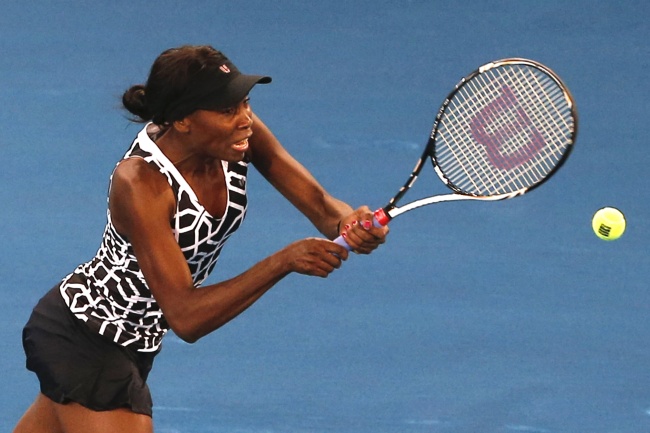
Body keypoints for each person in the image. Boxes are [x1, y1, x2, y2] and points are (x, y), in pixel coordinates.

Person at [12, 45, 388, 433]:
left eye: (244, 102)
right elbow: (186, 316)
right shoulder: (141, 182)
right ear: (182, 120)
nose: (244, 118)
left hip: (134, 342)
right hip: (86, 334)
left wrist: (349, 222)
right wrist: (284, 261)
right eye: (227, 109)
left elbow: (321, 205)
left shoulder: (237, 138)